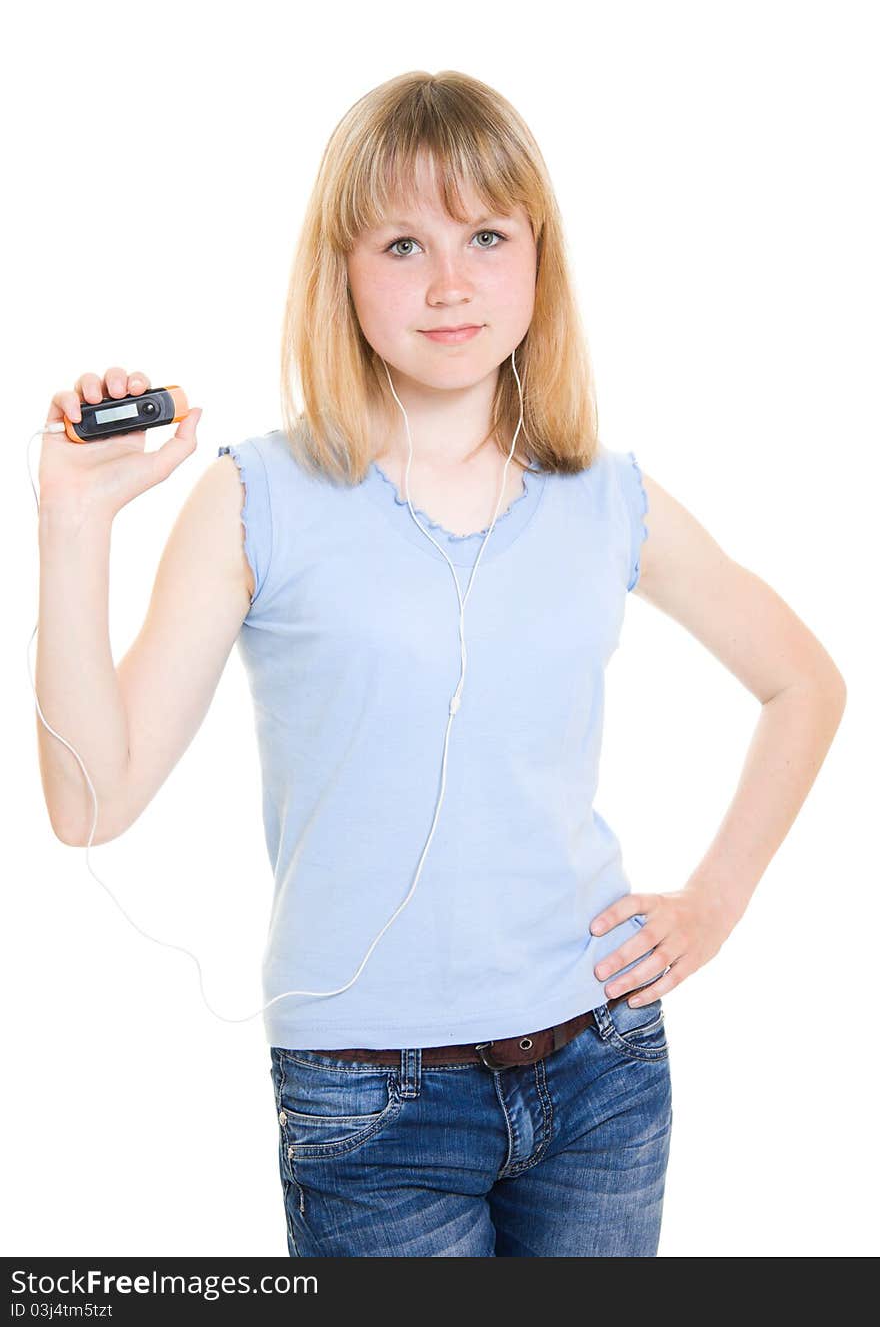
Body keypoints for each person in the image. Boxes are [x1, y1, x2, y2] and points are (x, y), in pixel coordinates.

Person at [36, 70, 847, 1258]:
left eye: (487, 235)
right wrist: (74, 524)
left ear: (537, 259)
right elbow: (87, 803)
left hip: (601, 1071)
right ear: (342, 268)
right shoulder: (258, 499)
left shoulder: (605, 496)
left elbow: (805, 683)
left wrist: (715, 899)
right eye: (404, 242)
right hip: (370, 1110)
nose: (453, 281)